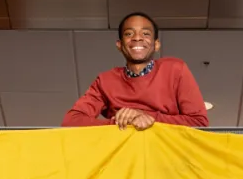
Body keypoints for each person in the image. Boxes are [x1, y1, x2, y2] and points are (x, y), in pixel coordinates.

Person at [62, 12, 208, 130]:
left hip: (167, 156)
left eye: (145, 33)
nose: (137, 38)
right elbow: (71, 122)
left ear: (156, 45)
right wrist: (124, 122)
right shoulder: (105, 81)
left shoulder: (175, 69)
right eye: (129, 34)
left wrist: (146, 117)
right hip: (124, 158)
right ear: (119, 45)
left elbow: (199, 122)